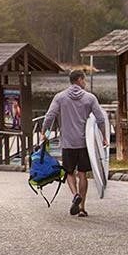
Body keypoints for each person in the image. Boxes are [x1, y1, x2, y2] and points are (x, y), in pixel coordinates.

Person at [41, 70, 108, 217]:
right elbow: (100, 119)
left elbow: (49, 117)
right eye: (84, 80)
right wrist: (104, 137)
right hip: (85, 143)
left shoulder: (60, 97)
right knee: (82, 174)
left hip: (67, 143)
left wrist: (44, 133)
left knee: (69, 172)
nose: (85, 82)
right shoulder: (90, 98)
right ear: (79, 79)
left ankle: (75, 195)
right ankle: (82, 208)